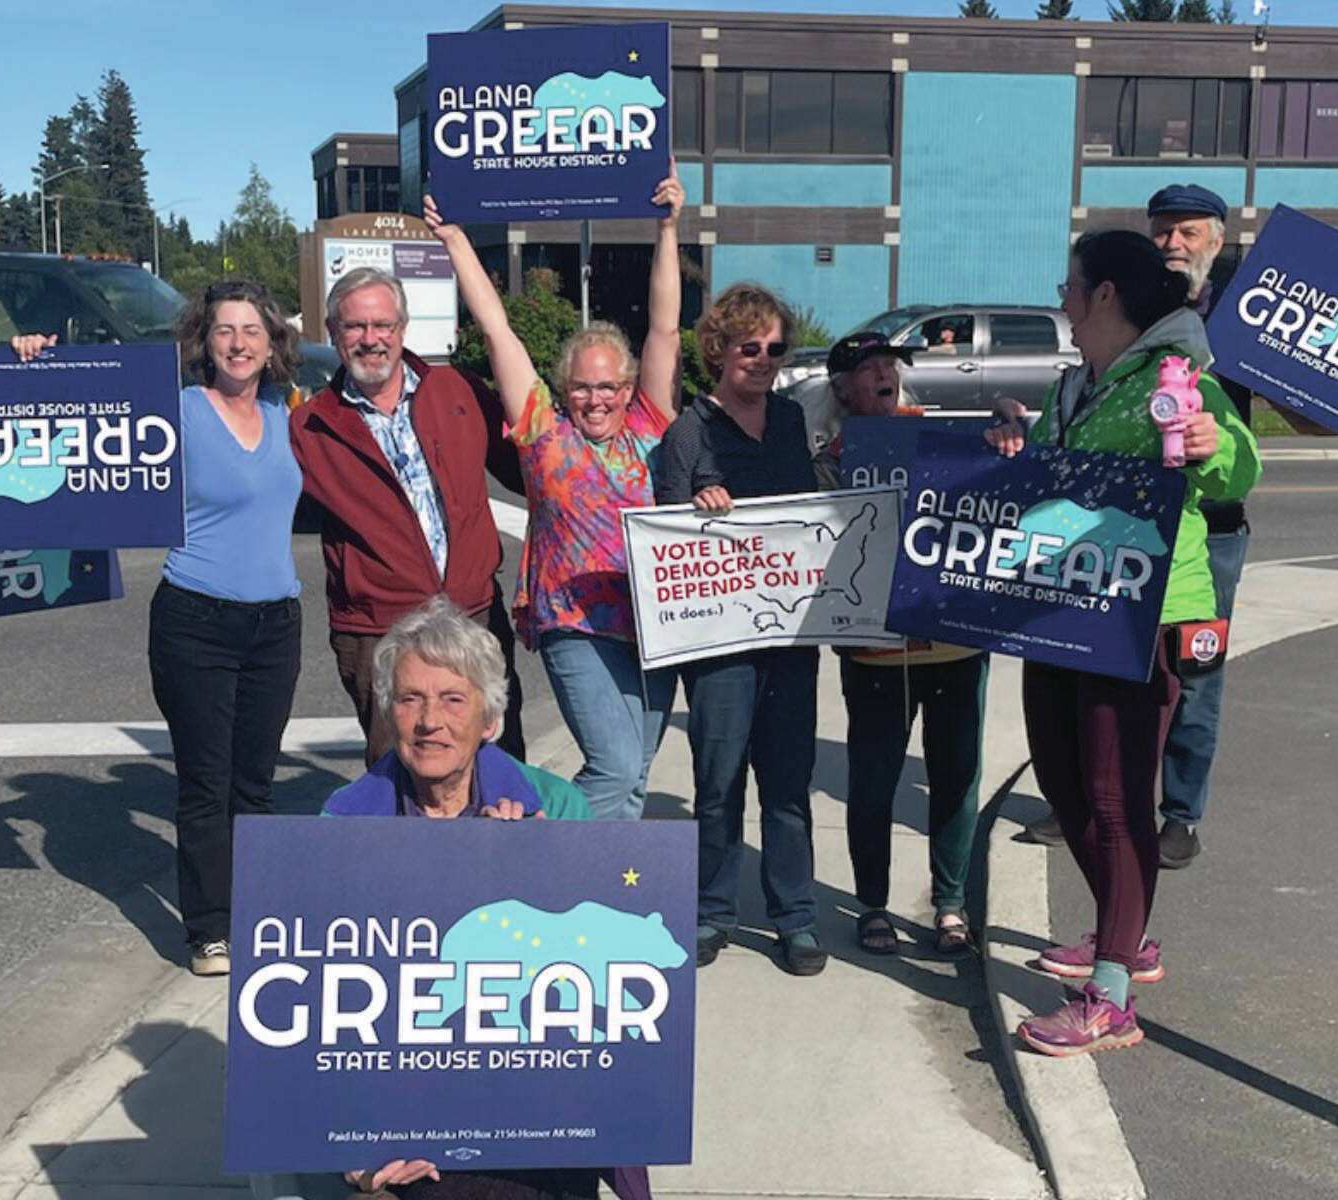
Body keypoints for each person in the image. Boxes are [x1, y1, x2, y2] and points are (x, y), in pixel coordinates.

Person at [1020, 184, 1338, 868]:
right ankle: (1082, 802)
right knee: (1089, 660)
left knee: (1192, 673)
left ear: (1218, 242)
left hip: (1209, 527)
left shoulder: (1248, 320)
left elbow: (1312, 411)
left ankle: (1180, 814)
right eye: (1163, 230)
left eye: (1189, 232)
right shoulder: (1132, 304)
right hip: (1116, 532)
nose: (1173, 243)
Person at [985, 230, 1260, 1055]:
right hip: (1059, 612)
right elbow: (1040, 481)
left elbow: (1234, 467)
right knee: (1067, 787)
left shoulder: (1176, 377)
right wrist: (1013, 438)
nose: (1062, 298)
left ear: (1104, 295)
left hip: (1139, 618)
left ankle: (1110, 995)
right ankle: (1125, 935)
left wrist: (1216, 446)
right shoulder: (1079, 386)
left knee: (1114, 795)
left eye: (1069, 284)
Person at [16, 279, 306, 978]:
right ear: (203, 342)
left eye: (252, 331)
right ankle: (209, 932)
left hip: (277, 622)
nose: (238, 343)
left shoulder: (286, 412)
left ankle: (258, 920)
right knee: (207, 783)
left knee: (255, 786)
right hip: (196, 617)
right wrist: (35, 367)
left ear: (273, 347)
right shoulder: (176, 411)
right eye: (224, 331)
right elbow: (81, 424)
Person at [322, 598, 651, 1200]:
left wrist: (530, 864)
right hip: (401, 1116)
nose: (429, 721)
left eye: (453, 700)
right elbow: (325, 1013)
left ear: (490, 720)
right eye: (410, 699)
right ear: (389, 712)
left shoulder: (556, 807)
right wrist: (357, 1155)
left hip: (539, 1104)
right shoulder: (341, 823)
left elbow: (604, 996)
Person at [421, 167, 684, 821]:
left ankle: (602, 901)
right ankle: (537, 851)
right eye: (585, 387)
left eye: (610, 387)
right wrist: (454, 240)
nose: (597, 399)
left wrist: (668, 229)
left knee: (636, 777)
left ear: (629, 390)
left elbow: (665, 331)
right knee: (616, 768)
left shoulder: (652, 425)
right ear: (566, 389)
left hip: (655, 624)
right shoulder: (542, 429)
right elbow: (500, 332)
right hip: (574, 622)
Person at [654, 283, 827, 976]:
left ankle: (796, 918)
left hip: (790, 636)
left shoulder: (790, 420)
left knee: (788, 783)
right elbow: (665, 535)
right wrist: (699, 506)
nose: (762, 359)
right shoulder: (688, 431)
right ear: (718, 349)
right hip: (719, 643)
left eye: (776, 348)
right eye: (748, 347)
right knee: (718, 780)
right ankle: (712, 911)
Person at [290, 266, 528, 768]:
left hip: (473, 615)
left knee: (499, 769)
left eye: (383, 325)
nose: (370, 339)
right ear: (333, 333)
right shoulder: (308, 427)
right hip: (378, 627)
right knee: (398, 777)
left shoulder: (457, 391)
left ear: (402, 328)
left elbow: (531, 473)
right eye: (354, 327)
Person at [813, 332, 989, 957]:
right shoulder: (830, 459)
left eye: (892, 364)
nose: (887, 372)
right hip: (874, 655)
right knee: (873, 782)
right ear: (841, 388)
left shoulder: (944, 439)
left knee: (956, 776)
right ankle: (872, 904)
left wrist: (1008, 436)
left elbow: (990, 502)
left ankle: (950, 903)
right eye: (870, 368)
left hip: (956, 646)